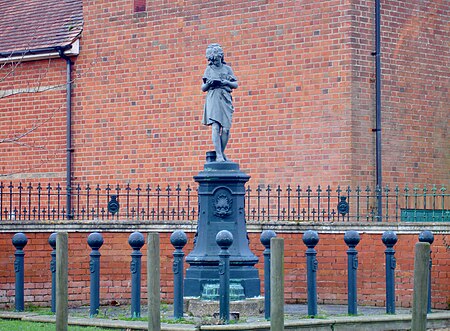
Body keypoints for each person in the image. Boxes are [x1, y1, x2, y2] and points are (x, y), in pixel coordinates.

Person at [201, 44, 238, 162]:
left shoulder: (227, 69)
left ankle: (221, 152)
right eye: (212, 60)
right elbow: (203, 88)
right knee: (216, 127)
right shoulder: (209, 69)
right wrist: (209, 83)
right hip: (214, 97)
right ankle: (219, 155)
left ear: (221, 57)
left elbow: (235, 84)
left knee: (226, 128)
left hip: (225, 97)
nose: (215, 62)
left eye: (216, 59)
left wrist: (226, 82)